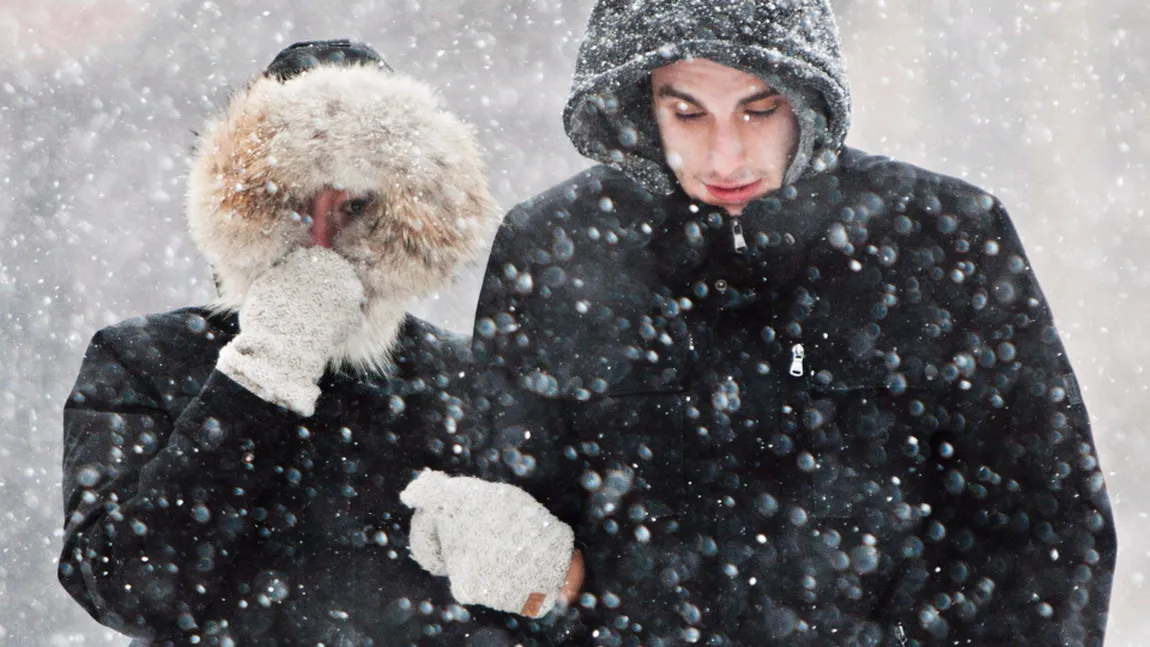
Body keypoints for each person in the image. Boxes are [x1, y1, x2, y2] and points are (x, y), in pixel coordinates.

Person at [442, 1, 1118, 645]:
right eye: (688, 113)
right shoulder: (553, 247)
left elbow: (1049, 531)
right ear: (640, 106)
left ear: (808, 97)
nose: (725, 155)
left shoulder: (943, 240)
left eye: (758, 109)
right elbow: (501, 542)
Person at [58, 40, 579, 646]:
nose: (324, 236)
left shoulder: (469, 381)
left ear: (404, 216)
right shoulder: (146, 359)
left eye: (356, 204)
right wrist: (261, 375)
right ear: (243, 208)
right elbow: (122, 587)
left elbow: (609, 608)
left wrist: (549, 581)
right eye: (295, 201)